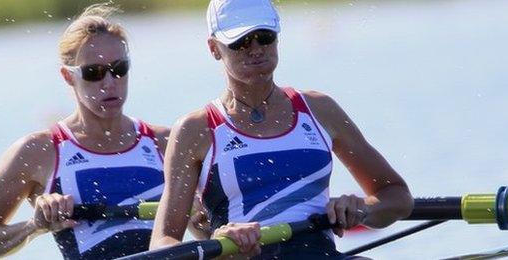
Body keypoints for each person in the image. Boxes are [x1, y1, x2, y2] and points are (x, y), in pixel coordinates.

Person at [150, 0, 414, 258]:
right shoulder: (195, 130)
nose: (255, 50)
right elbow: (162, 245)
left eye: (264, 37)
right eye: (240, 42)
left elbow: (397, 196)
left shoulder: (320, 110)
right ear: (214, 48)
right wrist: (222, 246)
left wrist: (363, 209)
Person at [0, 3, 172, 259]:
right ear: (68, 77)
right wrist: (34, 226)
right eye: (94, 73)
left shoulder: (166, 142)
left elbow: (208, 227)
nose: (109, 83)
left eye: (119, 69)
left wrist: (206, 222)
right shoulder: (39, 151)